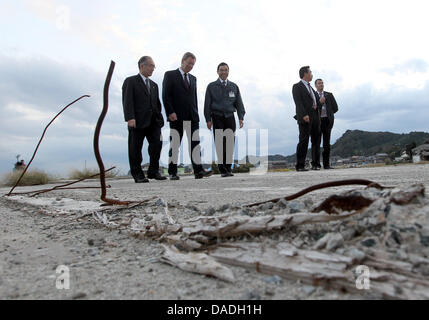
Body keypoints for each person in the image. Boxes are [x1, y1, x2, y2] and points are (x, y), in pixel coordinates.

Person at [162, 52, 213, 180]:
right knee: (175, 144)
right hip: (176, 116)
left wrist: (196, 114)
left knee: (195, 144)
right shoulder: (170, 75)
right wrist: (170, 112)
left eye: (193, 64)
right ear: (182, 61)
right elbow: (165, 95)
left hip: (192, 116)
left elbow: (194, 98)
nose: (191, 66)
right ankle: (173, 172)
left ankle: (198, 171)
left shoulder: (193, 78)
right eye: (189, 63)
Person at [122, 56, 166, 183]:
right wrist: (130, 118)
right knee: (135, 148)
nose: (153, 69)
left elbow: (157, 103)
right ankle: (138, 174)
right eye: (151, 66)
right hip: (137, 121)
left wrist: (160, 119)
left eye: (154, 66)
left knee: (157, 145)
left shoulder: (154, 85)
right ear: (142, 66)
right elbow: (127, 100)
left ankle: (153, 171)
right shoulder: (130, 81)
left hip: (154, 122)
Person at [204, 62, 245, 177]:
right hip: (217, 117)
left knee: (230, 143)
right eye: (221, 70)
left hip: (229, 117)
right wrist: (208, 119)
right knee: (220, 143)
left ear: (228, 72)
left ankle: (228, 168)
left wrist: (241, 117)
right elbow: (207, 104)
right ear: (217, 72)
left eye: (225, 70)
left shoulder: (234, 86)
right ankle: (222, 170)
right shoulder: (211, 86)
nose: (223, 72)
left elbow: (239, 103)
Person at [292, 66, 322, 171]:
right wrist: (304, 114)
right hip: (305, 116)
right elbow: (298, 102)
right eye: (310, 72)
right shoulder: (297, 86)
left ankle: (315, 164)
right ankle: (300, 165)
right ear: (305, 74)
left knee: (316, 140)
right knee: (303, 140)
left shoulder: (311, 88)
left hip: (315, 116)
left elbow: (316, 102)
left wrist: (319, 102)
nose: (312, 74)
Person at [315, 79, 339, 169]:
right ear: (316, 85)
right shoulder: (313, 95)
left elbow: (336, 108)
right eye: (319, 83)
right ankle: (316, 164)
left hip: (327, 121)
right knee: (316, 143)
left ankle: (326, 164)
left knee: (326, 144)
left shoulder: (329, 95)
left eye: (322, 83)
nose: (321, 84)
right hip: (317, 121)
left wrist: (329, 113)